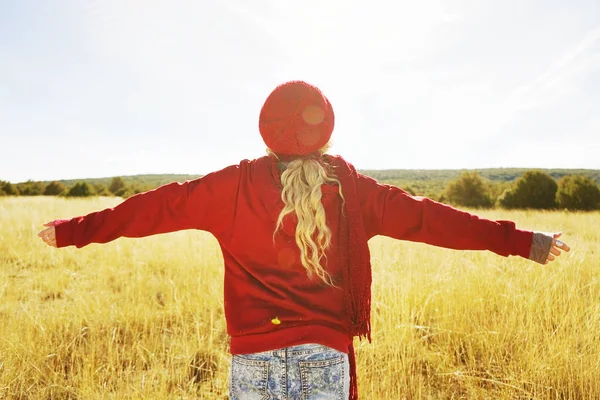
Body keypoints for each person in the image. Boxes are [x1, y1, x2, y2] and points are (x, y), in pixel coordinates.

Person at [38, 80, 570, 400]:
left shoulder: (232, 185)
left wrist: (71, 231)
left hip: (253, 359)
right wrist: (524, 241)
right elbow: (433, 219)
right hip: (326, 355)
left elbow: (154, 207)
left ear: (267, 130)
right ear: (325, 130)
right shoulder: (353, 190)